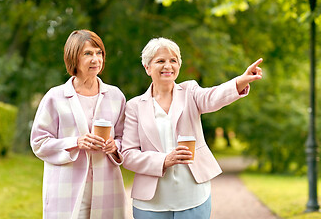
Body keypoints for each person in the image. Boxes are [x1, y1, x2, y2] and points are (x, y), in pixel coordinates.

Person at [121, 37, 262, 219]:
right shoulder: (134, 106)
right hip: (151, 203)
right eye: (160, 61)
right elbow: (128, 155)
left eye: (173, 60)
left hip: (193, 197)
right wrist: (164, 160)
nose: (168, 66)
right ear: (147, 68)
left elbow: (213, 96)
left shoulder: (190, 92)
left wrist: (241, 81)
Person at [30, 29, 127, 219]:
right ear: (74, 58)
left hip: (107, 188)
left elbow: (126, 139)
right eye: (88, 54)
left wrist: (115, 146)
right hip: (66, 190)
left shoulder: (116, 96)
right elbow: (39, 142)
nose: (95, 59)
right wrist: (76, 142)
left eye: (99, 53)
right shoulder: (55, 97)